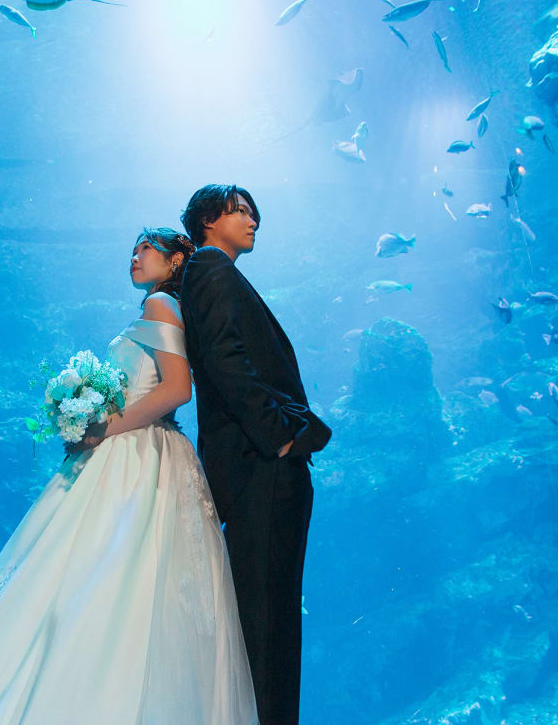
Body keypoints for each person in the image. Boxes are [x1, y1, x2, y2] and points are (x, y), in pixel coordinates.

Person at [0, 227, 259, 725]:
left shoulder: (160, 305)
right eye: (131, 250)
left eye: (147, 249)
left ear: (177, 261)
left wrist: (105, 426)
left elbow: (177, 389)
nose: (134, 257)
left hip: (141, 456)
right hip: (132, 451)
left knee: (105, 575)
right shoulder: (155, 309)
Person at [180, 185, 332, 725]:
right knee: (268, 618)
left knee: (272, 613)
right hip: (259, 463)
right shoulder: (209, 268)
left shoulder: (220, 272)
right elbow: (225, 359)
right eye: (239, 211)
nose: (252, 222)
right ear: (206, 219)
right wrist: (279, 437)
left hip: (263, 462)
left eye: (252, 213)